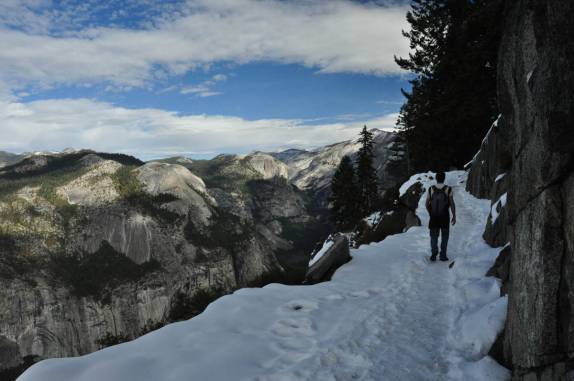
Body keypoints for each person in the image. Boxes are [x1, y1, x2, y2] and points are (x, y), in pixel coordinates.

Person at [425, 171, 456, 261]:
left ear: (436, 178)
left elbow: (426, 204)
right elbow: (452, 203)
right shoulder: (448, 189)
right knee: (445, 236)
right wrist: (454, 215)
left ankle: (434, 254)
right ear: (444, 178)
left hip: (434, 217)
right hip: (445, 216)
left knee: (434, 237)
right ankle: (443, 255)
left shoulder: (431, 189)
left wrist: (430, 213)